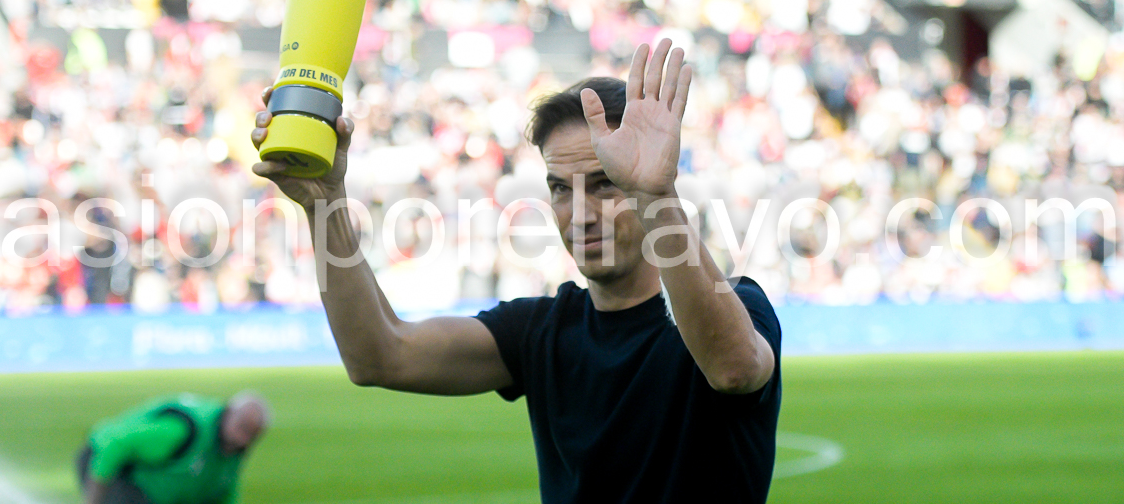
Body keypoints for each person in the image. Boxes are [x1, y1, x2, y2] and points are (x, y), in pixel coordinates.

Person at [252, 39, 780, 503]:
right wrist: (323, 205)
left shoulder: (737, 306)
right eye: (559, 188)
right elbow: (379, 356)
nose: (581, 211)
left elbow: (733, 368)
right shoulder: (543, 330)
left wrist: (655, 195)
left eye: (605, 183)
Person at [76, 392, 270, 504]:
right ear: (228, 413)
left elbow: (224, 494)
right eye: (241, 428)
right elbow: (116, 445)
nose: (243, 440)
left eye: (252, 436)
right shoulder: (183, 431)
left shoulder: (231, 453)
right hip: (109, 464)